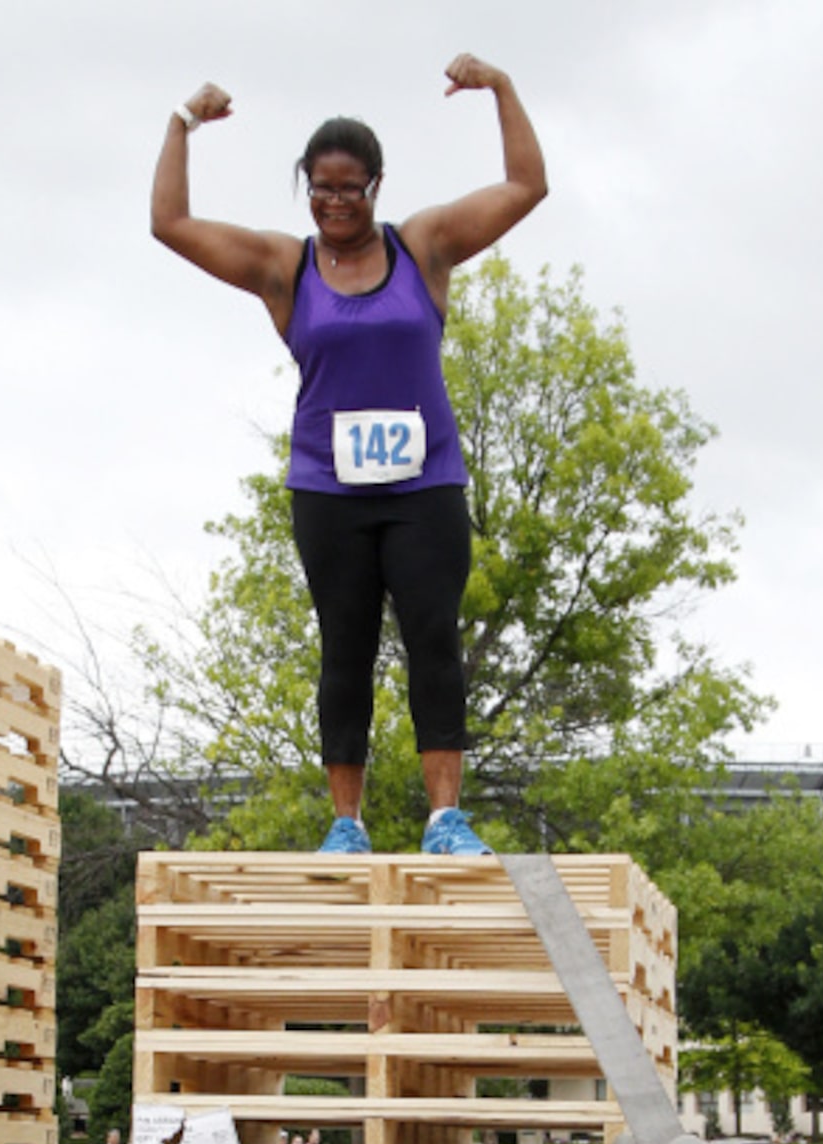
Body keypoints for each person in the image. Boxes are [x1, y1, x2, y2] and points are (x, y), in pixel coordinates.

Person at [152, 56, 546, 857]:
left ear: (376, 186)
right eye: (321, 188)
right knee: (346, 648)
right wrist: (182, 124)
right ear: (307, 188)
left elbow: (525, 186)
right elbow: (171, 225)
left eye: (351, 188)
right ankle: (347, 823)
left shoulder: (424, 248)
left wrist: (501, 89)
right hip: (330, 489)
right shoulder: (283, 267)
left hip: (424, 482)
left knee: (434, 637)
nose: (335, 202)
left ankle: (446, 818)